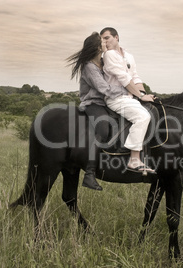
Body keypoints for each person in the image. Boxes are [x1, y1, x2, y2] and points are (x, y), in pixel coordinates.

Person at [67, 32, 124, 191]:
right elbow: (104, 88)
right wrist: (126, 91)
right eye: (102, 40)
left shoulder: (102, 62)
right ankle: (90, 173)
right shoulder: (89, 67)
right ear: (97, 47)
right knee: (103, 128)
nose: (106, 42)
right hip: (94, 103)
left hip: (107, 102)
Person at [100, 27, 156, 174]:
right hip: (116, 98)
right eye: (102, 39)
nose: (104, 42)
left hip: (130, 97)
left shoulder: (129, 56)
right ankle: (134, 159)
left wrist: (143, 93)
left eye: (107, 38)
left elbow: (135, 76)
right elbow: (124, 78)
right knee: (143, 116)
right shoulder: (109, 55)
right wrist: (141, 96)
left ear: (116, 37)